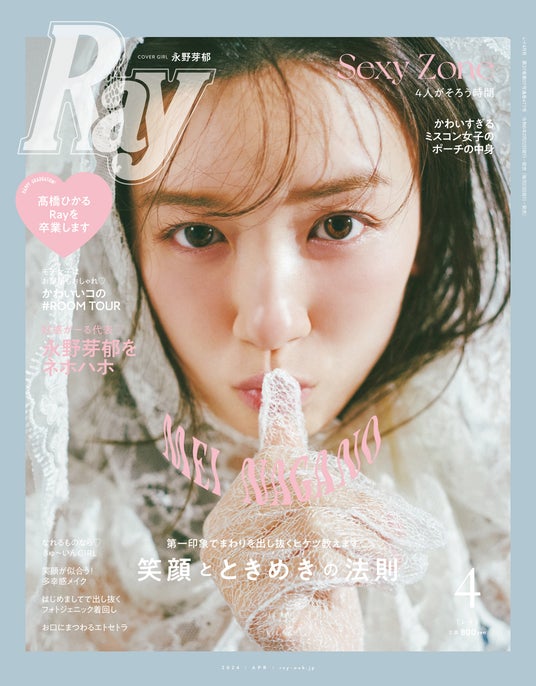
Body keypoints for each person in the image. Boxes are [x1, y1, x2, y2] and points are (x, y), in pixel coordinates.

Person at [25, 36, 510, 651]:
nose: (271, 325)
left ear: (430, 227)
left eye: (338, 225)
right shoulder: (43, 561)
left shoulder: (503, 522)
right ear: (121, 254)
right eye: (198, 233)